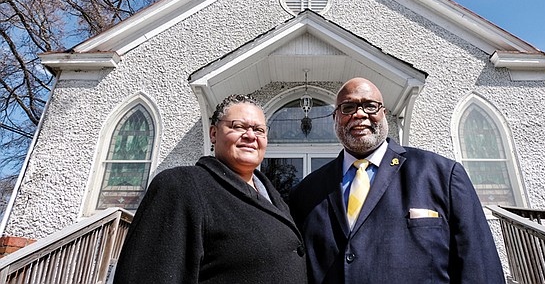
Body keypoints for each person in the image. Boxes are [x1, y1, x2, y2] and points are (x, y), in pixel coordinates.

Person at [288, 78, 505, 284]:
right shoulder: (306, 193)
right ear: (335, 118)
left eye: (370, 106)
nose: (359, 114)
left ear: (384, 113)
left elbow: (479, 266)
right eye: (348, 107)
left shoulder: (442, 175)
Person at [113, 94, 307, 284]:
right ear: (213, 133)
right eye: (238, 126)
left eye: (259, 130)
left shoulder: (273, 197)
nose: (250, 136)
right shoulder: (182, 186)